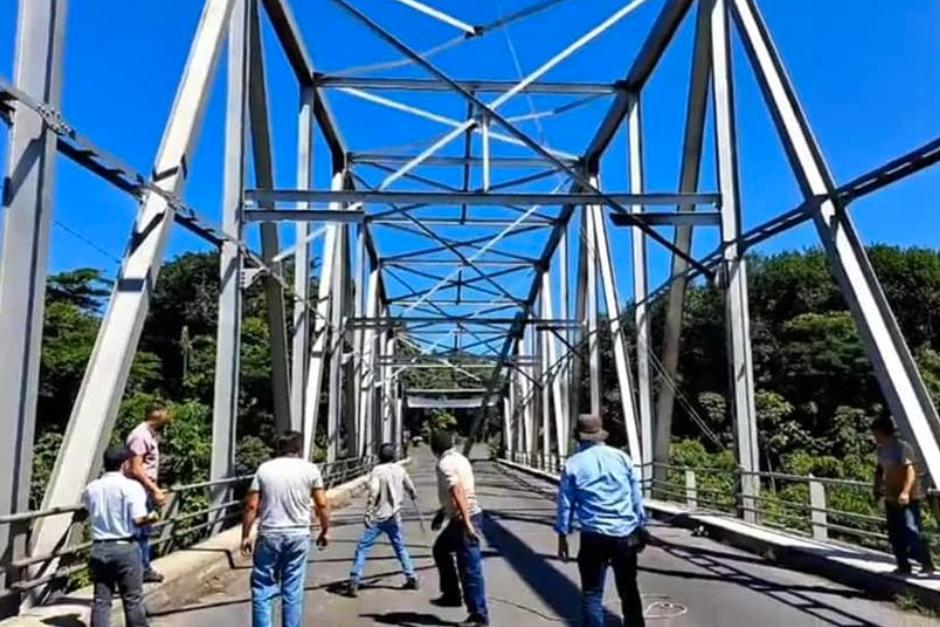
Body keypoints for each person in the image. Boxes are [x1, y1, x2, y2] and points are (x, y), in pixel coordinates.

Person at [555, 414, 649, 627]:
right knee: (628, 590)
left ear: (578, 437)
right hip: (623, 534)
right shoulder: (621, 457)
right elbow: (636, 496)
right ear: (600, 434)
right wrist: (640, 527)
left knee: (592, 594)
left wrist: (563, 535)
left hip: (593, 536)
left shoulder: (572, 464)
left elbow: (566, 504)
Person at [241, 431, 331, 627]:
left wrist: (246, 535)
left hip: (269, 533)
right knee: (292, 589)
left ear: (279, 447)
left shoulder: (264, 469)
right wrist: (325, 530)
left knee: (262, 587)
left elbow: (251, 506)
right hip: (299, 534)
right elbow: (322, 504)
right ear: (299, 448)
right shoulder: (310, 469)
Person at [83, 446, 158, 627]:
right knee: (132, 600)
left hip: (99, 548)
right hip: (125, 548)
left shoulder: (91, 488)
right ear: (124, 464)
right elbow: (138, 519)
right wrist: (152, 518)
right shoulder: (131, 487)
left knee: (101, 600)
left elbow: (88, 509)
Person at [430, 431, 489, 627]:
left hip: (466, 518)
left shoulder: (444, 464)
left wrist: (467, 523)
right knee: (441, 549)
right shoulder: (461, 459)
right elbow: (455, 492)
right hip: (460, 517)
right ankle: (452, 594)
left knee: (470, 567)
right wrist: (442, 513)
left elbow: (457, 490)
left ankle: (478, 617)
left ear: (434, 448)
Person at [345, 442, 419, 597]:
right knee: (400, 547)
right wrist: (412, 494)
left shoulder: (377, 471)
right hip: (394, 516)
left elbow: (373, 491)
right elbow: (410, 487)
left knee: (363, 548)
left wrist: (368, 513)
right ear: (394, 456)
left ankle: (354, 579)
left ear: (380, 456)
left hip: (378, 517)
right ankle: (411, 576)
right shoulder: (400, 469)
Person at [872, 416, 935, 575]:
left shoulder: (902, 447)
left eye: (875, 433)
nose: (874, 436)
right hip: (890, 495)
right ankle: (903, 565)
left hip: (907, 497)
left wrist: (906, 492)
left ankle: (926, 563)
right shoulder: (881, 449)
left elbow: (910, 471)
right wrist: (877, 486)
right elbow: (880, 469)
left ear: (882, 432)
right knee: (895, 533)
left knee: (911, 529)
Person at [125, 403, 173, 583]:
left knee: (145, 530)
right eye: (166, 414)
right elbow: (136, 469)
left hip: (145, 489)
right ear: (156, 414)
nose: (168, 418)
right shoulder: (139, 435)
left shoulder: (149, 435)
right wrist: (155, 490)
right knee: (140, 532)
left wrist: (154, 488)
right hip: (139, 490)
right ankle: (141, 570)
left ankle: (143, 568)